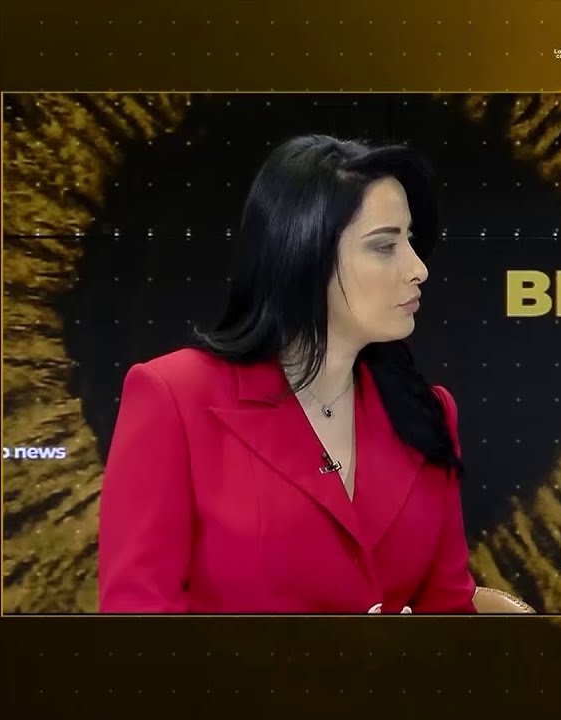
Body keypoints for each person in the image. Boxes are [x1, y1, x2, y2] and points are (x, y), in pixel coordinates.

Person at [98, 135, 477, 613]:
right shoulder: (173, 397)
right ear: (304, 255)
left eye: (411, 242)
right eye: (385, 246)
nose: (418, 269)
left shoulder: (428, 414)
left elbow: (451, 615)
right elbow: (137, 625)